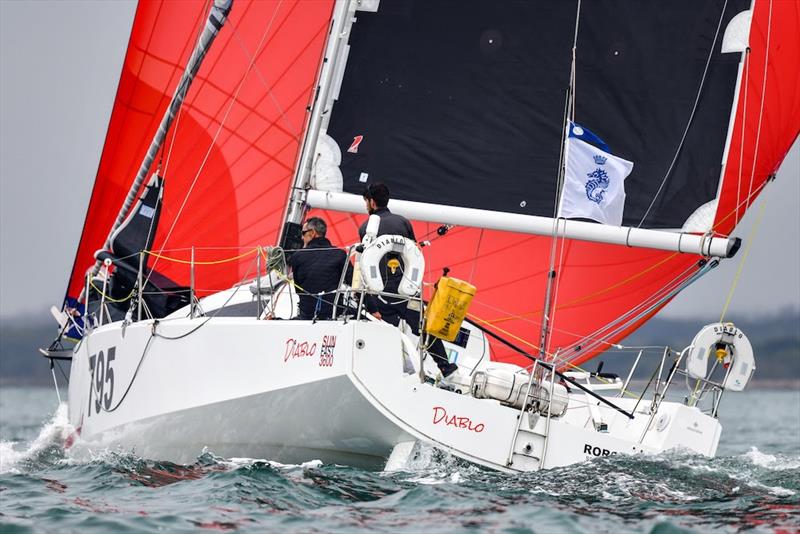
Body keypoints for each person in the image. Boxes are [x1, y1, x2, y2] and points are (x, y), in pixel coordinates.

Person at [359, 183, 458, 378]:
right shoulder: (403, 222)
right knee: (423, 328)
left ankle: (386, 371)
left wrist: (371, 305)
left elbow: (365, 264)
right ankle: (446, 367)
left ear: (371, 202)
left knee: (385, 334)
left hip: (382, 293)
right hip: (408, 290)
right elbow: (414, 251)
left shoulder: (365, 228)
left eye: (366, 202)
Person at [288, 217, 352, 320]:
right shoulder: (340, 254)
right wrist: (373, 310)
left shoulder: (297, 256)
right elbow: (353, 282)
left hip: (307, 316)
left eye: (303, 233)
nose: (301, 237)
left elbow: (298, 289)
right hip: (334, 315)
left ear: (312, 233)